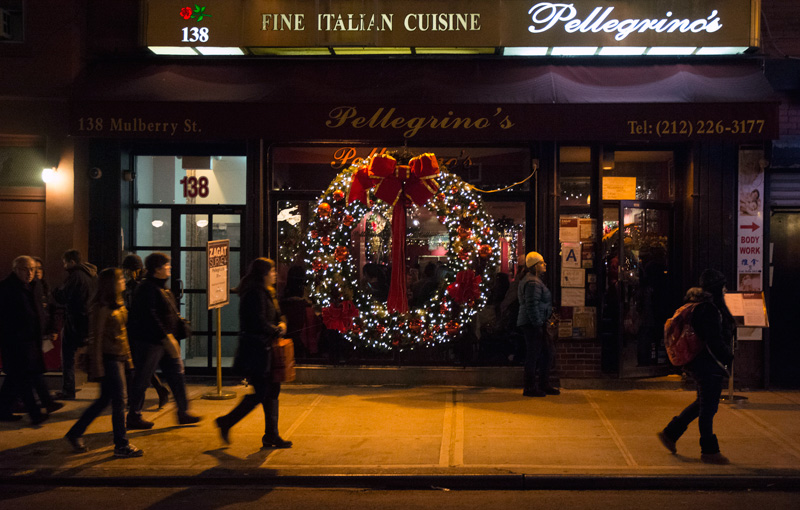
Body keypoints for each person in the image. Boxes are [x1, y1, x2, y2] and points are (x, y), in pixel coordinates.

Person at [657, 269, 734, 464]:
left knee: (702, 403)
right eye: (723, 287)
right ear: (716, 289)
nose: (725, 290)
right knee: (708, 408)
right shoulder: (708, 310)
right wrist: (728, 355)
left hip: (699, 362)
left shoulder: (698, 306)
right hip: (708, 364)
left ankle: (671, 433)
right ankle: (709, 451)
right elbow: (713, 340)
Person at [64, 268, 143, 458]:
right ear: (111, 284)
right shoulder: (102, 307)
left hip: (120, 357)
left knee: (104, 401)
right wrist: (97, 366)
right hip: (109, 359)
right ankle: (121, 444)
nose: (124, 280)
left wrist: (129, 360)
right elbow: (96, 338)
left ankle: (75, 433)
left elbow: (123, 334)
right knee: (119, 401)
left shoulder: (118, 304)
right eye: (120, 279)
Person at [215, 257, 292, 449]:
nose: (275, 274)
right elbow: (256, 321)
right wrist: (275, 329)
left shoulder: (268, 292)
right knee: (261, 392)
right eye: (272, 271)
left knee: (273, 390)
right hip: (256, 351)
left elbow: (277, 314)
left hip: (268, 350)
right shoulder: (253, 294)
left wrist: (281, 323)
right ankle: (227, 421)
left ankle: (271, 435)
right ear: (264, 274)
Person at [126, 252, 200, 429]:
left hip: (164, 341)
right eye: (166, 266)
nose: (169, 268)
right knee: (143, 379)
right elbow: (150, 317)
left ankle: (183, 412)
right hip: (151, 342)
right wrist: (166, 337)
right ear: (157, 269)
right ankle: (134, 416)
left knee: (176, 376)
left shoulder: (162, 288)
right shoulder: (147, 289)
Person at [0, 256, 50, 424]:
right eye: (25, 269)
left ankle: (3, 410)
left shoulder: (31, 286)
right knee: (23, 378)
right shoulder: (7, 288)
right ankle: (35, 413)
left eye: (32, 269)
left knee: (15, 379)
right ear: (16, 269)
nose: (30, 273)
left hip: (28, 341)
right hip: (16, 342)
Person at [122, 253, 169, 409]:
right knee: (140, 367)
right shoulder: (136, 284)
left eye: (128, 270)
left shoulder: (141, 285)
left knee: (139, 368)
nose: (126, 273)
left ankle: (135, 402)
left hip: (140, 332)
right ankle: (158, 391)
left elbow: (143, 310)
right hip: (136, 330)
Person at [53, 249, 97, 400]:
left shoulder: (75, 277)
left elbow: (63, 297)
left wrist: (55, 292)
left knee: (67, 356)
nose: (64, 265)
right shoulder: (91, 275)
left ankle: (68, 389)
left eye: (65, 262)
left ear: (71, 262)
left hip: (75, 321)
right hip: (89, 321)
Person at [517, 251, 559, 397]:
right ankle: (531, 387)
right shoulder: (532, 282)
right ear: (535, 266)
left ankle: (542, 384)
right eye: (541, 263)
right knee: (535, 354)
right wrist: (538, 323)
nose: (544, 264)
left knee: (545, 353)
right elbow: (532, 305)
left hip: (535, 322)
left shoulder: (533, 280)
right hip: (533, 323)